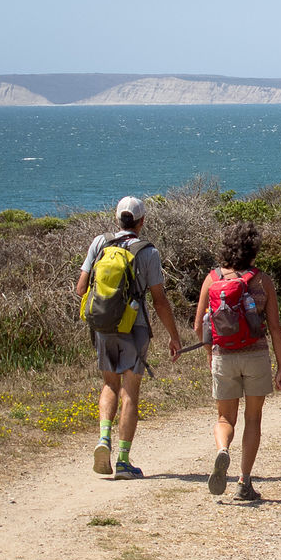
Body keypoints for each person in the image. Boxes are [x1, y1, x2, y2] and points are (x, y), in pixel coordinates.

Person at [75, 196, 182, 479]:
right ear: (142, 221)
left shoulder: (100, 243)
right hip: (134, 328)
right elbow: (159, 300)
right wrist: (174, 336)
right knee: (130, 391)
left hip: (103, 326)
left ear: (117, 218)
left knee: (110, 384)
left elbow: (81, 288)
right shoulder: (148, 252)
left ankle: (103, 439)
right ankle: (123, 460)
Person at [192, 221, 281, 501]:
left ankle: (222, 449)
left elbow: (199, 326)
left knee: (225, 418)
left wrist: (210, 354)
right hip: (256, 356)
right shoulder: (262, 281)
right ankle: (244, 481)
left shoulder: (212, 279)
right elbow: (275, 327)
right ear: (253, 250)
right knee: (253, 418)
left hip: (224, 356)